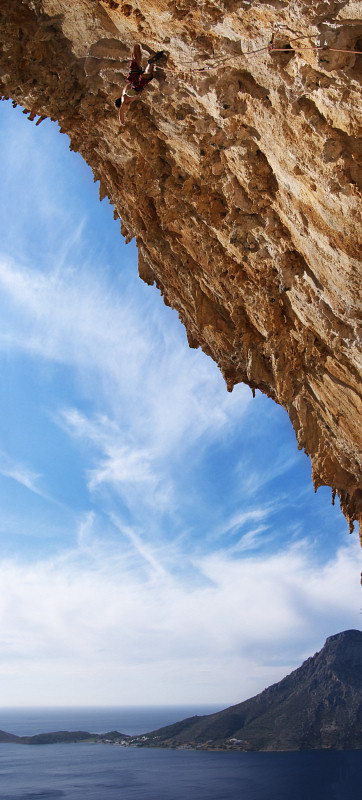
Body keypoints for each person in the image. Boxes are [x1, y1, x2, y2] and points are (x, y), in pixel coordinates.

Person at [115, 44, 164, 125]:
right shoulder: (123, 92)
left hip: (136, 86)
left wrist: (122, 121)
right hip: (131, 80)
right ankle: (136, 45)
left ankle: (150, 64)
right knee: (135, 61)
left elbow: (121, 111)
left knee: (147, 75)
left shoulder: (125, 101)